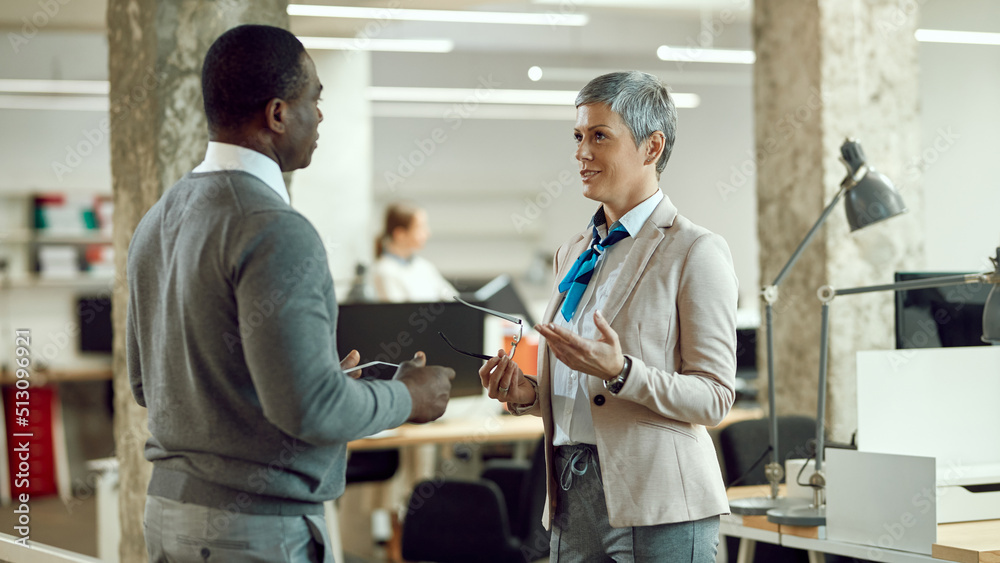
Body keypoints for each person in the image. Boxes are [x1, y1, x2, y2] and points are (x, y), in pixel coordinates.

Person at [126, 25, 454, 562]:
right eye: (314, 99)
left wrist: (311, 378)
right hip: (252, 531)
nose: (320, 115)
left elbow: (150, 384)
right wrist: (409, 398)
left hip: (170, 516)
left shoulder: (158, 218)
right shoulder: (274, 228)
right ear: (278, 114)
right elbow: (312, 411)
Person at [478, 71, 738, 562]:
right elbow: (582, 391)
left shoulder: (694, 251)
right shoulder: (574, 251)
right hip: (570, 492)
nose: (582, 152)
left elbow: (715, 398)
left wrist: (621, 373)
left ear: (652, 146)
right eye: (578, 136)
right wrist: (530, 393)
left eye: (600, 136)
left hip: (659, 501)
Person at [372, 202, 458, 302]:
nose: (428, 233)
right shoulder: (384, 271)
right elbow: (397, 313)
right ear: (400, 235)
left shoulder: (424, 266)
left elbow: (452, 298)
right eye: (420, 228)